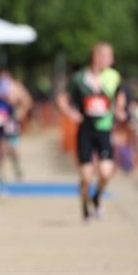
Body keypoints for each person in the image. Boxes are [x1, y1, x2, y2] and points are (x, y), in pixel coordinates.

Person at [56, 42, 126, 221]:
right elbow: (62, 99)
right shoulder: (79, 78)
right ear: (97, 57)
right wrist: (71, 113)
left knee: (105, 172)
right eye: (108, 56)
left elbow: (120, 94)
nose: (112, 60)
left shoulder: (113, 76)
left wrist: (119, 109)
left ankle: (97, 196)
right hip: (85, 130)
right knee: (86, 177)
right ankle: (84, 205)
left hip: (104, 130)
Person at [0, 67, 32, 182]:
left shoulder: (15, 86)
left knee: (9, 147)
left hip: (10, 120)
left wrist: (19, 115)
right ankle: (0, 173)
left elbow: (26, 101)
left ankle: (15, 168)